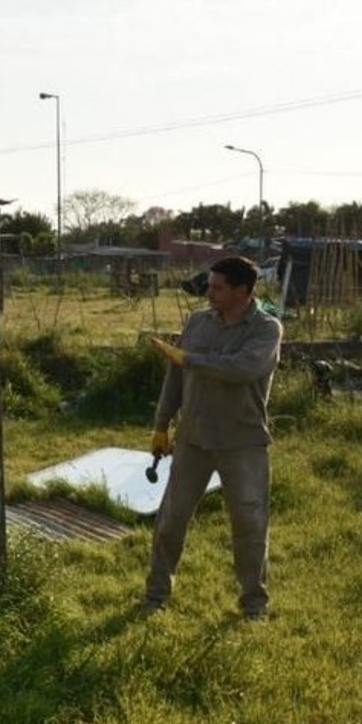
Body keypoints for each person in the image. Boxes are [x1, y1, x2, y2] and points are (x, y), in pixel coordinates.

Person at [144, 256, 283, 621]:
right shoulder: (198, 322)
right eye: (209, 285)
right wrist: (162, 425)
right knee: (171, 519)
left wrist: (190, 359)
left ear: (243, 291)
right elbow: (175, 377)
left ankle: (254, 605)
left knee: (250, 524)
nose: (208, 292)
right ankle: (156, 596)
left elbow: (243, 369)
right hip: (193, 438)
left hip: (243, 441)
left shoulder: (266, 329)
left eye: (217, 287)